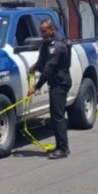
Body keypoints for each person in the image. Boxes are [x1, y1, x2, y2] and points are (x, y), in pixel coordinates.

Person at [28, 17, 72, 159]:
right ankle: (60, 146)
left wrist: (36, 86)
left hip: (60, 82)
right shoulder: (49, 41)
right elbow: (44, 60)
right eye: (41, 31)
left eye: (44, 31)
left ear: (52, 29)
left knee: (57, 117)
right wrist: (35, 66)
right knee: (55, 116)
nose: (42, 33)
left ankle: (63, 149)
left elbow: (49, 68)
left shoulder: (57, 45)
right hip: (56, 82)